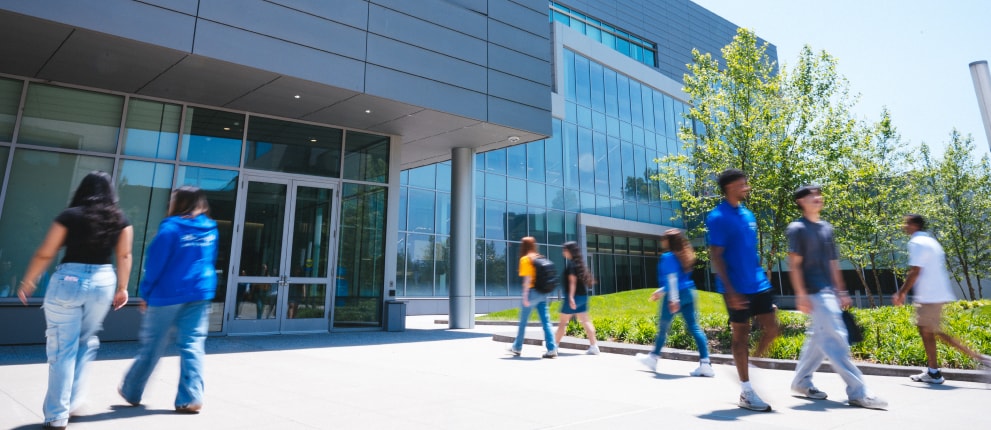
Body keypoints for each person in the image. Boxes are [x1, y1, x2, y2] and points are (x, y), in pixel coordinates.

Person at [16, 171, 133, 430]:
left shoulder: (70, 216)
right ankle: (74, 399)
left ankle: (58, 414)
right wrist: (123, 288)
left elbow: (46, 252)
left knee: (63, 348)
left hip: (69, 282)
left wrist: (29, 281)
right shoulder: (119, 218)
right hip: (104, 283)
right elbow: (124, 255)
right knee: (85, 340)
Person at [119, 186, 219, 413]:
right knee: (193, 344)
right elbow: (209, 260)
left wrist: (145, 293)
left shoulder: (170, 228)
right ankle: (191, 397)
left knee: (153, 345)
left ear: (179, 202)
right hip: (200, 291)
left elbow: (155, 265)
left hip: (167, 294)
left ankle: (131, 390)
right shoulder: (210, 229)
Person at [786, 185, 887, 409]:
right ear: (801, 201)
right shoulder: (797, 229)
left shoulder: (825, 228)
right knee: (836, 339)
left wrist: (841, 291)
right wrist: (801, 294)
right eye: (812, 196)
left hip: (828, 292)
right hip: (814, 292)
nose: (818, 198)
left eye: (819, 195)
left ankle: (801, 382)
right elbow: (794, 264)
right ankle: (858, 392)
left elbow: (833, 263)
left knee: (818, 340)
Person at [704, 168, 778, 412]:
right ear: (730, 187)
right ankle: (746, 390)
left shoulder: (748, 214)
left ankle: (750, 364)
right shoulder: (718, 216)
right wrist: (730, 290)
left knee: (772, 329)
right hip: (735, 287)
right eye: (742, 183)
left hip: (757, 282)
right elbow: (717, 255)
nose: (746, 186)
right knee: (740, 336)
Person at [893, 214, 991, 384]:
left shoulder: (916, 242)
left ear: (915, 225)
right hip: (935, 294)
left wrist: (901, 292)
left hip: (929, 295)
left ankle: (983, 360)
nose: (904, 226)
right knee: (928, 331)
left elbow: (915, 270)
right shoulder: (931, 241)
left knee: (933, 331)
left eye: (906, 223)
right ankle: (933, 372)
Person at [636, 228, 714, 377]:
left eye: (664, 238)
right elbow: (679, 279)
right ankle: (705, 364)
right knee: (694, 327)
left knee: (663, 327)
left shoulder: (668, 257)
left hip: (676, 295)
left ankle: (653, 358)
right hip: (689, 293)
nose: (662, 241)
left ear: (668, 241)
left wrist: (673, 299)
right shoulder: (685, 255)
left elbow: (672, 279)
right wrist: (660, 291)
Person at [509, 236, 558, 358]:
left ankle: (517, 347)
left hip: (531, 293)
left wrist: (525, 296)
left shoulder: (525, 259)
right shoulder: (540, 257)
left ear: (523, 246)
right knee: (546, 322)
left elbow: (528, 279)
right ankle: (552, 348)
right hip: (543, 293)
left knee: (523, 322)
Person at [553, 241, 599, 355]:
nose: (563, 251)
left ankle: (553, 346)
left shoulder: (572, 265)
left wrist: (571, 297)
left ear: (570, 251)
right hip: (583, 297)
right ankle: (594, 346)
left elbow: (572, 282)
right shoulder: (579, 265)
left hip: (573, 297)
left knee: (562, 322)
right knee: (585, 321)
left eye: (565, 249)